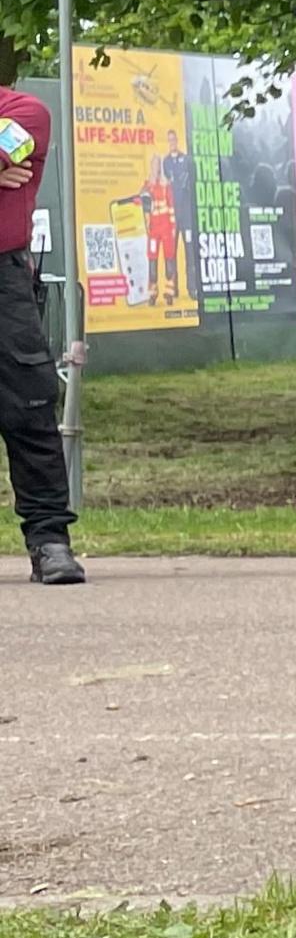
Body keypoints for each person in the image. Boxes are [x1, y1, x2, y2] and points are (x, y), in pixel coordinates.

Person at [0, 35, 81, 585]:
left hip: (4, 277)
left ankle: (50, 541)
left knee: (29, 406)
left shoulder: (23, 112)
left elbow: (16, 147)